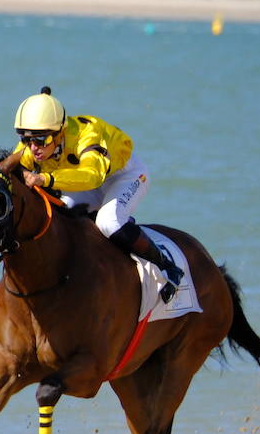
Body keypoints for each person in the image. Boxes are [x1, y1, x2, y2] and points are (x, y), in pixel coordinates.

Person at [12, 86, 183, 301]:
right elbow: (11, 167)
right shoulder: (33, 145)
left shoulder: (87, 134)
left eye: (40, 140)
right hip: (84, 182)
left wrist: (45, 179)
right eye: (27, 140)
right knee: (61, 218)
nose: (33, 147)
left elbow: (93, 176)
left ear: (59, 133)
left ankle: (167, 267)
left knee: (108, 222)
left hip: (124, 176)